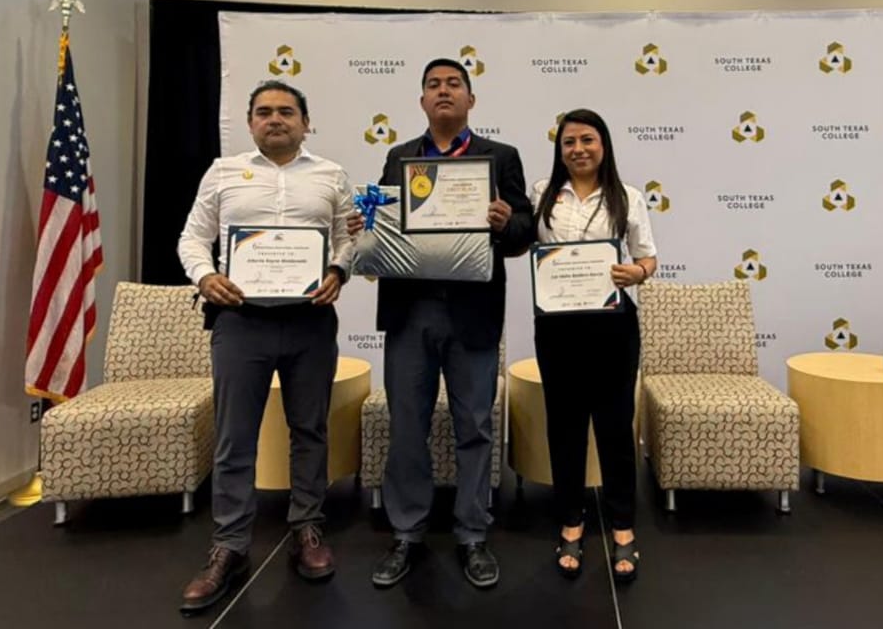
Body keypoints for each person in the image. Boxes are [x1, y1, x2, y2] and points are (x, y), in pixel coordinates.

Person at [353, 57, 535, 590]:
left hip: (472, 314)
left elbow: (525, 231)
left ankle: (472, 533)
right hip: (410, 312)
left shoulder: (501, 157)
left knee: (475, 425)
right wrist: (364, 227)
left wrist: (505, 223)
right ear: (422, 101)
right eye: (433, 85)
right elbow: (383, 224)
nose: (444, 91)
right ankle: (406, 533)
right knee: (407, 424)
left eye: (454, 83)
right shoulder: (399, 157)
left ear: (471, 99)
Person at [176, 80, 353, 614]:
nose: (275, 119)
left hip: (309, 321)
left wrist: (339, 269)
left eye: (286, 112)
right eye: (264, 112)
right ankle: (229, 545)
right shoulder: (222, 172)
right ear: (251, 122)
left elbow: (348, 236)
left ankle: (307, 529)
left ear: (306, 122)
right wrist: (205, 276)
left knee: (309, 430)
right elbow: (191, 237)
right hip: (241, 321)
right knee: (235, 437)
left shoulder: (331, 175)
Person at [529, 108, 656, 582]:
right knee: (564, 427)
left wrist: (636, 273)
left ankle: (623, 526)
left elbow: (648, 257)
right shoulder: (542, 193)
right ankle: (571, 522)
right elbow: (521, 243)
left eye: (587, 140)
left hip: (613, 327)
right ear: (559, 149)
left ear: (603, 145)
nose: (578, 149)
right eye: (569, 142)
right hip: (558, 328)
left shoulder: (628, 196)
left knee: (615, 428)